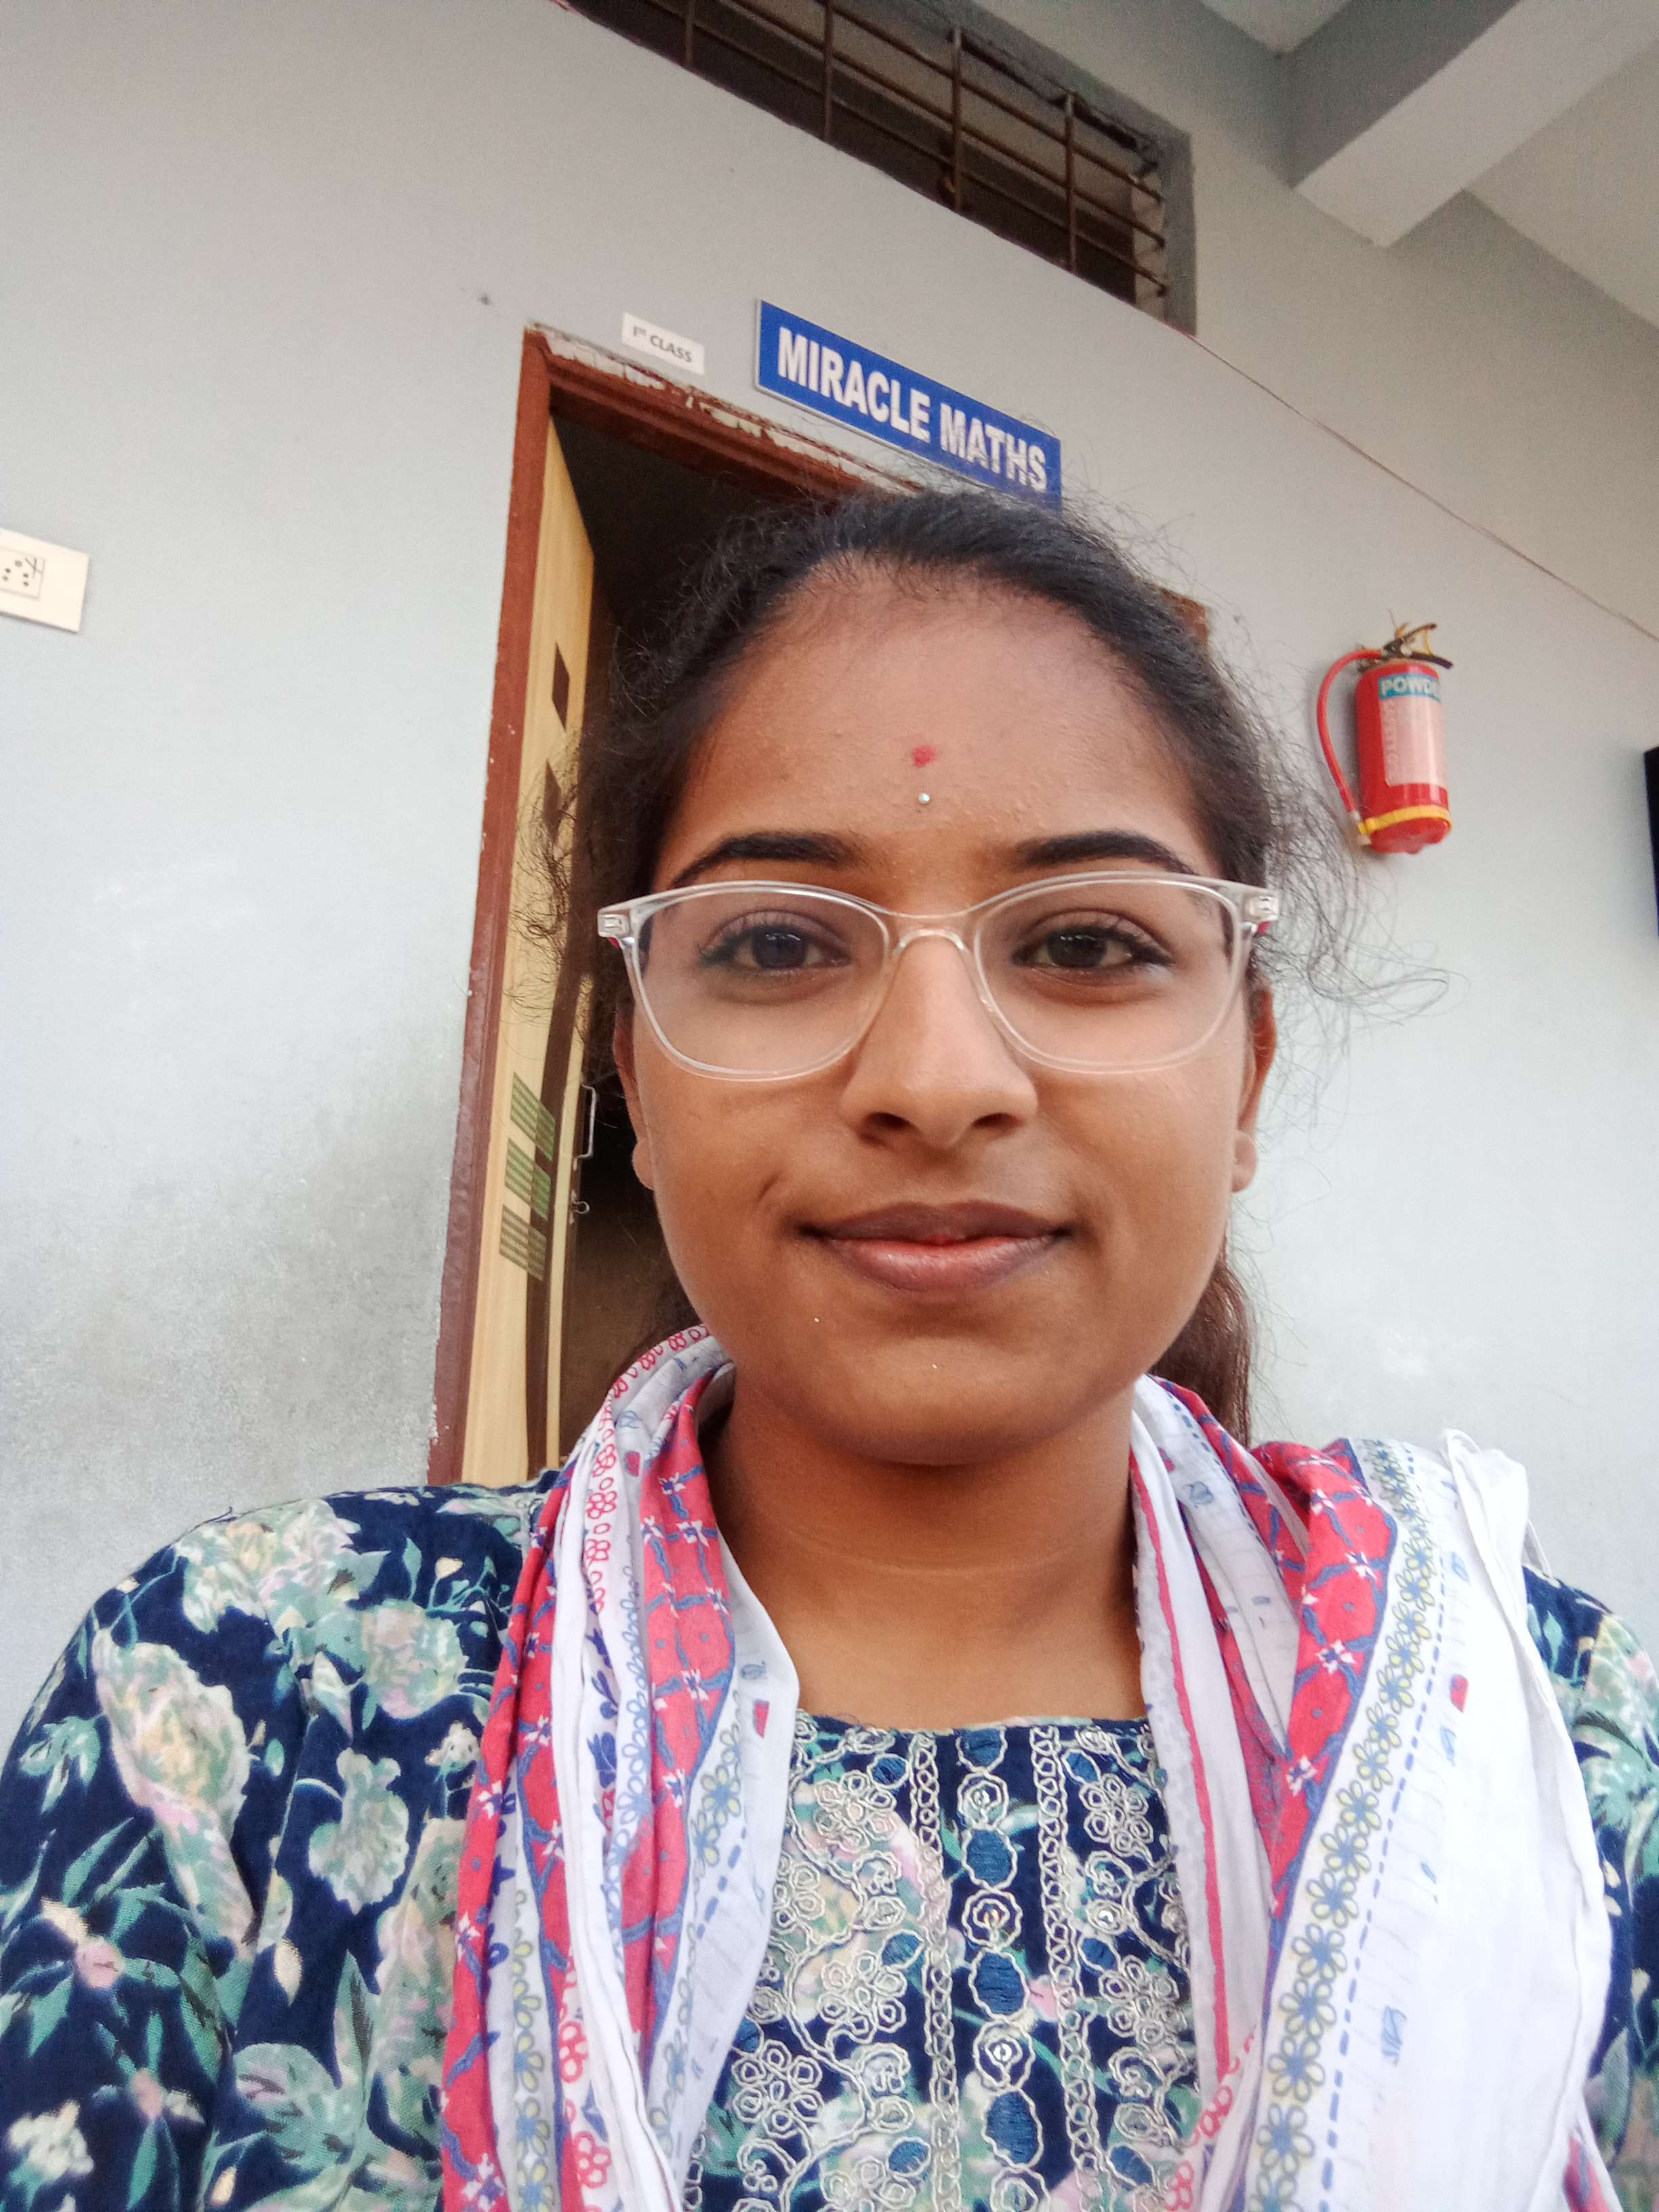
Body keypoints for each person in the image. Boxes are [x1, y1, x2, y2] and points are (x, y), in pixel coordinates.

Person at [1, 490, 1654, 2212]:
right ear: (636, 1084)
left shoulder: (1554, 1750)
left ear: (1246, 1071)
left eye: (1087, 943)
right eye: (779, 943)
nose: (936, 1080)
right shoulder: (243, 1699)